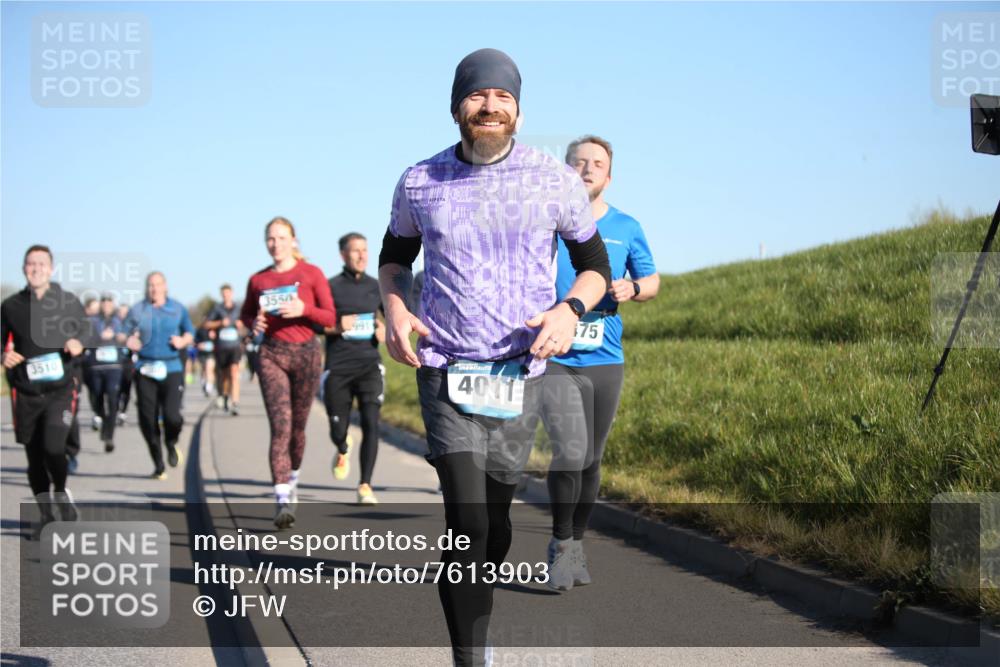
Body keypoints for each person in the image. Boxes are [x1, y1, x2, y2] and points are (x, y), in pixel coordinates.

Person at [378, 48, 611, 666]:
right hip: (445, 368)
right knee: (469, 523)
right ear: (457, 106)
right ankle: (468, 659)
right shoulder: (420, 181)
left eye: (502, 97)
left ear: (518, 109)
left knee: (497, 524)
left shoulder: (551, 178)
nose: (490, 106)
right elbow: (394, 261)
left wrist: (569, 311)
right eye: (478, 96)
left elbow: (594, 269)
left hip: (519, 373)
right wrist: (397, 311)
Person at [541, 135, 660, 591]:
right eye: (579, 162)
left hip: (606, 356)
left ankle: (575, 544)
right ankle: (559, 545)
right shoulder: (545, 223)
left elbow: (651, 280)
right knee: (569, 449)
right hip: (554, 356)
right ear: (564, 171)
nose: (588, 168)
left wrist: (634, 288)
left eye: (597, 163)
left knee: (591, 459)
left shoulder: (626, 226)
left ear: (609, 176)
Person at [240, 217, 335, 529]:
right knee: (280, 425)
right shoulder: (258, 280)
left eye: (281, 238)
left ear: (294, 240)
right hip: (272, 354)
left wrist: (303, 310)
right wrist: (253, 327)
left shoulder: (311, 273)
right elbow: (245, 319)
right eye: (270, 238)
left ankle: (292, 475)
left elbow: (330, 318)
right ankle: (282, 498)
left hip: (307, 354)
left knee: (298, 429)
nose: (275, 244)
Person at [1, 245, 88, 535]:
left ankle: (61, 491)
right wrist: (3, 355)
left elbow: (86, 331)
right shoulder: (11, 306)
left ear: (51, 268)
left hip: (60, 390)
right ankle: (46, 513)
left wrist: (78, 343)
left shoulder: (67, 302)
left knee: (53, 447)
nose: (36, 268)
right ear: (24, 268)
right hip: (25, 392)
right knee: (34, 458)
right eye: (30, 263)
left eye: (41, 263)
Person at [321, 232, 385, 504]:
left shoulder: (376, 286)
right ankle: (342, 447)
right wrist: (336, 326)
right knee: (338, 429)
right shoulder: (330, 286)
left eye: (365, 250)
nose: (362, 255)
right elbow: (316, 324)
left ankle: (365, 485)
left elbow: (392, 318)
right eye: (356, 250)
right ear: (343, 255)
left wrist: (385, 328)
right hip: (338, 367)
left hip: (370, 365)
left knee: (372, 423)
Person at [123, 271, 195, 479]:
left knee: (173, 416)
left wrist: (183, 341)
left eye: (157, 284)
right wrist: (129, 340)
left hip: (171, 368)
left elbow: (189, 332)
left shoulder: (177, 308)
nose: (154, 289)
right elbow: (124, 332)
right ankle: (158, 463)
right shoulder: (137, 309)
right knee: (147, 419)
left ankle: (171, 442)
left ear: (165, 286)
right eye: (150, 285)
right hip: (145, 369)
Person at [83, 294, 127, 452]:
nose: (107, 306)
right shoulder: (93, 321)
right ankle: (101, 417)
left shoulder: (119, 322)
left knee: (113, 397)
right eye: (104, 303)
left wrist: (115, 336)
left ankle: (109, 435)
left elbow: (125, 338)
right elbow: (85, 339)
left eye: (110, 303)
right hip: (95, 366)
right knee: (97, 396)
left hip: (114, 366)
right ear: (101, 305)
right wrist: (98, 337)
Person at [205, 284, 244, 415]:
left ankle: (235, 403)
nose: (226, 295)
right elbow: (207, 324)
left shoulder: (238, 308)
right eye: (224, 293)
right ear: (221, 294)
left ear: (232, 293)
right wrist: (220, 323)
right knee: (224, 375)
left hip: (235, 346)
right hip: (221, 346)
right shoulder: (217, 308)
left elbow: (245, 324)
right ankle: (225, 395)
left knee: (234, 373)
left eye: (228, 293)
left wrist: (241, 325)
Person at [116, 303, 134, 426]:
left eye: (125, 313)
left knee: (126, 388)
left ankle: (123, 411)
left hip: (129, 361)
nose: (123, 315)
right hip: (116, 362)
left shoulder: (133, 328)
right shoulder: (114, 326)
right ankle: (116, 409)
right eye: (121, 312)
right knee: (116, 388)